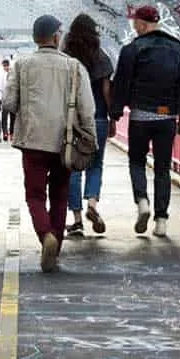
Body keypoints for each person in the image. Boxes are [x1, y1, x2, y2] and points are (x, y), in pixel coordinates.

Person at [4, 15, 95, 273]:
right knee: (60, 193)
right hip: (64, 142)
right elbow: (87, 108)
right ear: (56, 37)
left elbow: (9, 103)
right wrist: (91, 139)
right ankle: (55, 247)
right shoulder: (75, 67)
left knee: (34, 194)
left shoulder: (22, 64)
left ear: (36, 38)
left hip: (32, 141)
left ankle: (46, 236)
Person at [110, 4, 180, 239]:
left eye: (136, 25)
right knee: (163, 169)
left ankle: (142, 201)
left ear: (143, 25)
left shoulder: (132, 49)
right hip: (167, 117)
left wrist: (114, 114)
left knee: (137, 161)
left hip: (140, 116)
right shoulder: (178, 50)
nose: (134, 28)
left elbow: (121, 83)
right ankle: (161, 220)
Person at [62, 14, 114, 237]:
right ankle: (92, 202)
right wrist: (113, 117)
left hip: (73, 119)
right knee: (96, 164)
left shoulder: (65, 58)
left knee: (73, 167)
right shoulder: (102, 57)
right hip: (99, 117)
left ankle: (76, 219)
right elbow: (106, 91)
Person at [0, 57, 16, 141]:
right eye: (4, 66)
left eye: (7, 66)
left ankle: (11, 133)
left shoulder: (13, 74)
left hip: (12, 98)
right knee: (4, 117)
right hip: (4, 98)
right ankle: (5, 133)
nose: (6, 67)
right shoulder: (1, 74)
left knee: (13, 117)